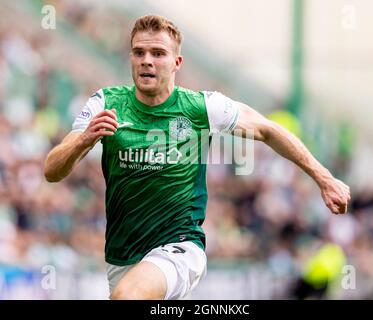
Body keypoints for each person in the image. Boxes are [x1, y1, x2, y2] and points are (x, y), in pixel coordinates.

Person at [43, 15, 351, 300]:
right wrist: (83, 140)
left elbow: (268, 130)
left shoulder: (201, 108)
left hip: (180, 245)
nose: (147, 61)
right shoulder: (105, 103)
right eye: (139, 53)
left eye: (158, 53)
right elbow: (52, 171)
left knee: (127, 297)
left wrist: (324, 178)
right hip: (122, 254)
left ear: (176, 62)